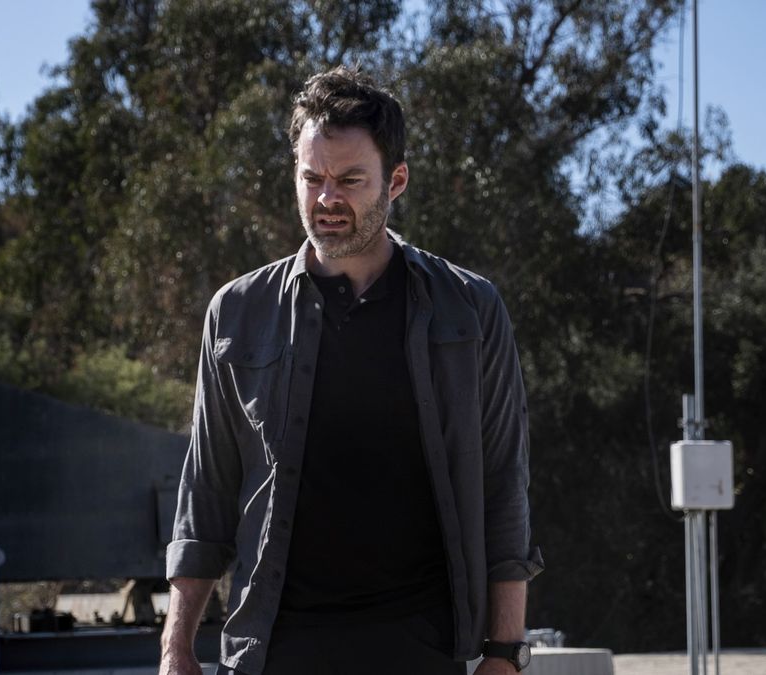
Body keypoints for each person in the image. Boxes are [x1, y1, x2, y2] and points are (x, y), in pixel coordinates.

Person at [159, 65, 543, 675]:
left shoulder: (469, 310)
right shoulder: (237, 313)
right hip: (276, 651)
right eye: (311, 178)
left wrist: (504, 653)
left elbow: (502, 484)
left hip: (421, 648)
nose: (327, 199)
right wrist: (176, 647)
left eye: (349, 180)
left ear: (396, 181)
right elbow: (207, 489)